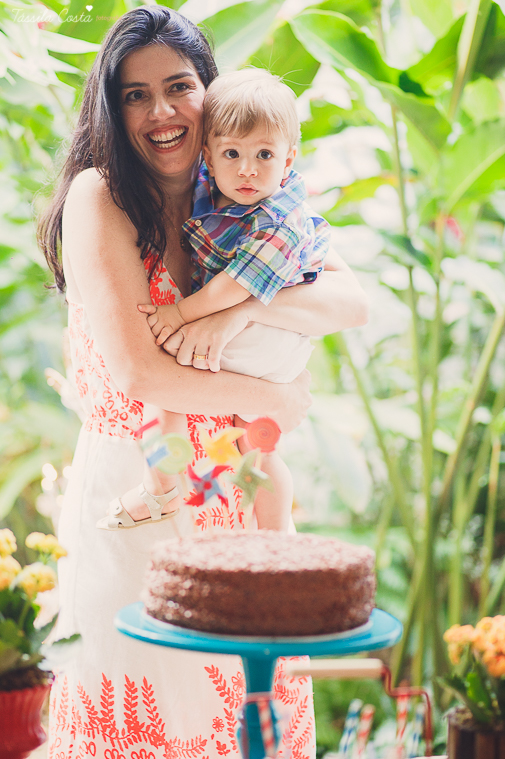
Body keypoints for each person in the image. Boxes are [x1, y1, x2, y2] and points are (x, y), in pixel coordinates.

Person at [38, 6, 368, 759]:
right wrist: (274, 401)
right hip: (136, 491)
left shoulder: (244, 177)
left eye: (178, 86)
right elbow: (138, 371)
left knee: (248, 749)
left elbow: (350, 301)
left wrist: (238, 307)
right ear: (112, 109)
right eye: (134, 94)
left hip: (235, 495)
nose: (160, 111)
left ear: (208, 93)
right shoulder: (101, 196)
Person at [97, 68, 330, 534]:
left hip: (265, 339)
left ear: (289, 162)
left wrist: (180, 314)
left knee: (165, 387)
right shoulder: (219, 187)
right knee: (256, 450)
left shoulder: (278, 219)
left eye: (265, 154)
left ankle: (160, 487)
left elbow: (234, 287)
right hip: (264, 336)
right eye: (232, 154)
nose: (247, 169)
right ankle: (276, 531)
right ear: (208, 156)